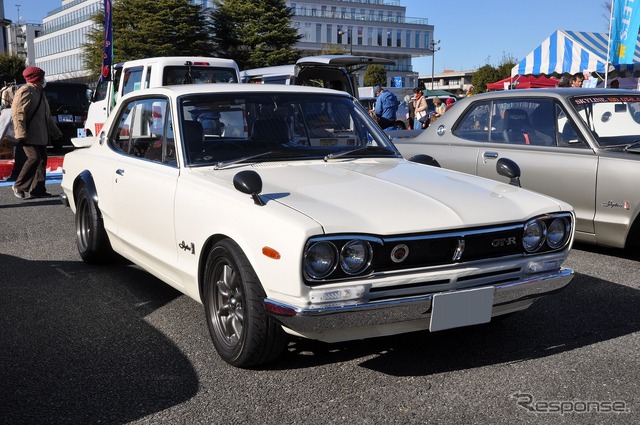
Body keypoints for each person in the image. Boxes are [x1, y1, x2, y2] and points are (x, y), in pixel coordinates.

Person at [11, 66, 63, 199]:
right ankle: (19, 185)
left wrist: (56, 132)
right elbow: (18, 114)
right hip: (28, 134)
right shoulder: (25, 91)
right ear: (36, 79)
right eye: (41, 78)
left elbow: (47, 116)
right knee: (34, 158)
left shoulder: (39, 92)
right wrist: (20, 134)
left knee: (42, 161)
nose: (43, 80)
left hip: (40, 134)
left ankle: (38, 189)